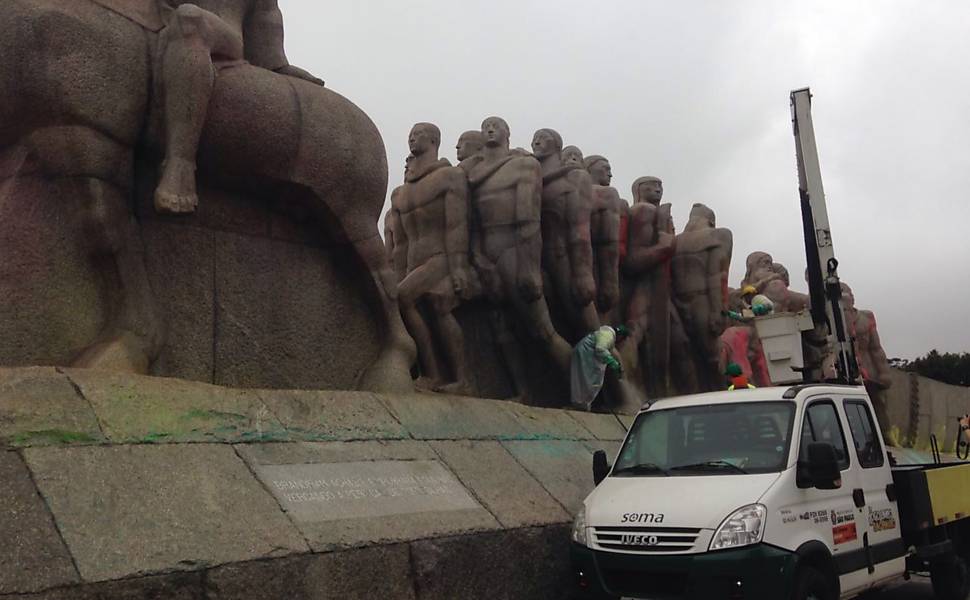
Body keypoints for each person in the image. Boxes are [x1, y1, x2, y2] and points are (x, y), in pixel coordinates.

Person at [570, 325, 629, 410]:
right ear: (620, 336)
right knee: (586, 382)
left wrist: (618, 367)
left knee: (590, 382)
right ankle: (580, 405)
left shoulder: (608, 336)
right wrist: (612, 362)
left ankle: (583, 405)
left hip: (587, 356)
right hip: (585, 355)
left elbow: (608, 350)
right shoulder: (608, 334)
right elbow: (600, 348)